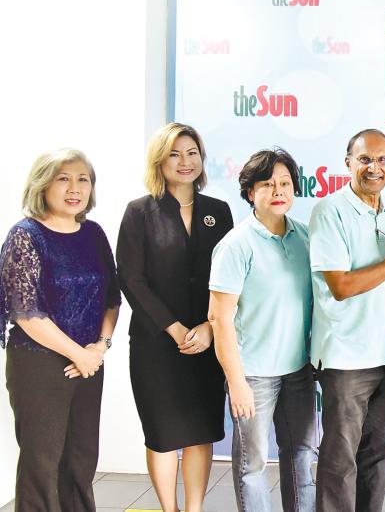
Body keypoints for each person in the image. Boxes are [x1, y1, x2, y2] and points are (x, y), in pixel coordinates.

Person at [309, 129, 385, 512]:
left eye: (382, 160)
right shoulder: (329, 211)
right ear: (348, 163)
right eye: (365, 159)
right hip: (347, 359)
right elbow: (342, 286)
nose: (374, 167)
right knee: (340, 459)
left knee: (379, 456)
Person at [117, 122, 234, 512]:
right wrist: (176, 328)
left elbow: (229, 279)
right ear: (159, 160)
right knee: (164, 435)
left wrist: (208, 327)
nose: (185, 162)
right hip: (157, 345)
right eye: (175, 154)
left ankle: (194, 509)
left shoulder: (218, 211)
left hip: (206, 340)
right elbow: (130, 279)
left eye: (192, 153)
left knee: (200, 433)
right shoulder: (140, 212)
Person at [0, 148, 121, 511]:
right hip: (39, 365)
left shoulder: (94, 234)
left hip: (89, 362)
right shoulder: (26, 236)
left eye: (82, 179)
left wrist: (99, 347)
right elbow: (26, 313)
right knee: (42, 461)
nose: (75, 187)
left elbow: (112, 297)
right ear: (43, 184)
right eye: (63, 178)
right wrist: (78, 353)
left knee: (81, 461)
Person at [208, 148, 316, 512]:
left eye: (285, 183)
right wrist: (236, 382)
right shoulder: (236, 245)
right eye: (268, 184)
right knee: (252, 466)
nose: (278, 191)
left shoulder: (305, 237)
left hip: (299, 370)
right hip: (252, 375)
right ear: (251, 192)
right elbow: (219, 319)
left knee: (301, 455)